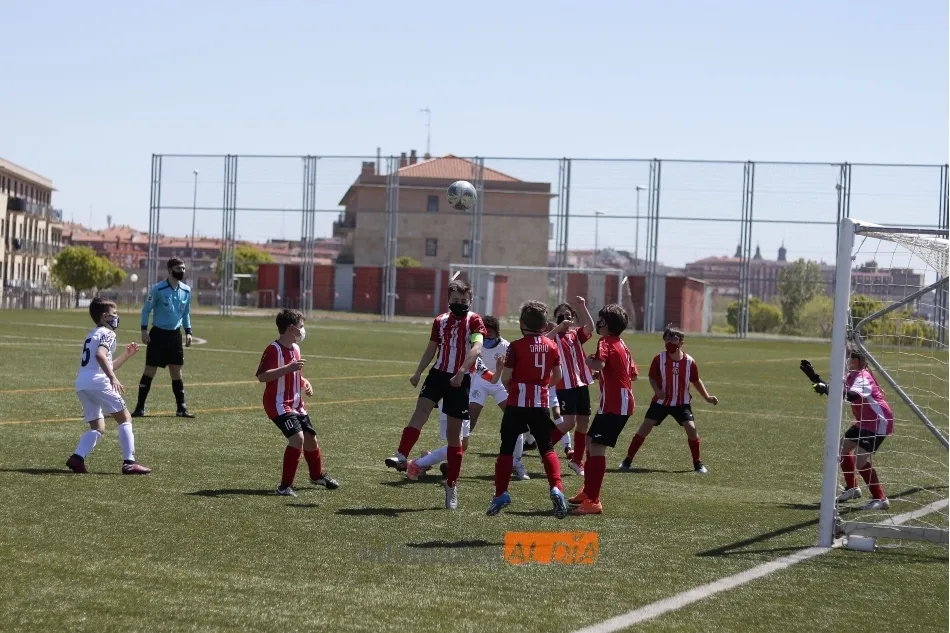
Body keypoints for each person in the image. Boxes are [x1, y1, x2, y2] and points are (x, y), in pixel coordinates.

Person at [385, 279, 487, 510]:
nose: (459, 304)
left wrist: (461, 372)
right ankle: (401, 454)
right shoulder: (440, 321)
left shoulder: (475, 320)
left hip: (459, 380)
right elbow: (432, 348)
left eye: (463, 301)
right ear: (448, 300)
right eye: (455, 300)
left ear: (470, 301)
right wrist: (418, 372)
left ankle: (451, 486)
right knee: (420, 410)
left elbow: (477, 348)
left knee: (454, 437)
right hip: (438, 375)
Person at [487, 301, 569, 519]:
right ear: (544, 325)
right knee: (547, 448)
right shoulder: (552, 346)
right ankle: (556, 488)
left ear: (523, 323)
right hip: (540, 403)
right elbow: (558, 376)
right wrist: (542, 386)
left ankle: (501, 493)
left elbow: (505, 378)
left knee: (506, 448)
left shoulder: (516, 346)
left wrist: (516, 387)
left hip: (516, 403)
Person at [256, 309, 339, 497]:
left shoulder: (296, 348)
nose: (303, 330)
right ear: (291, 329)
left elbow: (296, 373)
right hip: (277, 403)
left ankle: (317, 475)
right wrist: (288, 368)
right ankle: (284, 486)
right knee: (297, 439)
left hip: (296, 403)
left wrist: (304, 382)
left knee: (310, 438)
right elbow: (262, 376)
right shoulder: (273, 349)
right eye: (301, 327)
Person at [66, 298, 151, 475]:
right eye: (115, 314)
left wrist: (126, 355)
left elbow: (103, 360)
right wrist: (112, 378)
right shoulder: (108, 333)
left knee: (98, 427)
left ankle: (77, 458)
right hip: (99, 382)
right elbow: (100, 355)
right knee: (125, 418)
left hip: (82, 383)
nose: (117, 317)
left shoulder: (92, 334)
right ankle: (129, 462)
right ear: (105, 316)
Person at [567, 304, 637, 514]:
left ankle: (593, 501)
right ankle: (588, 491)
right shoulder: (621, 343)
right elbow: (632, 374)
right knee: (590, 441)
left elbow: (599, 364)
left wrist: (589, 360)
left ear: (607, 323)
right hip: (615, 402)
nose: (598, 323)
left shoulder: (605, 341)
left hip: (616, 404)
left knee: (597, 446)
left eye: (601, 319)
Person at [619, 324, 718, 473]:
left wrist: (707, 397)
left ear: (681, 343)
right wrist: (657, 390)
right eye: (666, 340)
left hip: (681, 403)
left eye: (672, 340)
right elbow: (652, 377)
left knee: (691, 429)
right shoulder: (659, 359)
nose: (669, 343)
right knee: (645, 427)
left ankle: (698, 463)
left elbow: (696, 381)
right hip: (661, 402)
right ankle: (627, 460)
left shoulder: (689, 362)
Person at [811, 344, 893, 510]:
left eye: (847, 357)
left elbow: (850, 396)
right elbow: (837, 392)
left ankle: (881, 498)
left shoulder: (863, 377)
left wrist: (825, 388)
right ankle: (853, 489)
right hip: (863, 422)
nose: (844, 360)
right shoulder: (850, 375)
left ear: (856, 360)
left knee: (860, 460)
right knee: (840, 448)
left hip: (878, 422)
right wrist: (814, 377)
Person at [133, 257, 195, 418]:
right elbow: (146, 310)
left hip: (175, 336)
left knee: (176, 372)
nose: (182, 271)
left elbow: (186, 313)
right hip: (158, 335)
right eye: (178, 268)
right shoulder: (157, 289)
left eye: (183, 268)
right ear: (169, 271)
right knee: (150, 371)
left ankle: (181, 408)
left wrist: (188, 331)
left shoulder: (187, 290)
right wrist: (144, 330)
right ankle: (140, 408)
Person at [547, 298, 597, 476]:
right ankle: (545, 447)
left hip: (581, 382)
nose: (565, 319)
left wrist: (583, 307)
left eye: (568, 316)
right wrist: (557, 328)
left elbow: (591, 328)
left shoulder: (576, 334)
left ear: (573, 318)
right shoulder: (553, 336)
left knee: (583, 423)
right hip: (564, 385)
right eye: (561, 316)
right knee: (569, 422)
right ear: (556, 318)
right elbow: (544, 341)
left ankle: (577, 461)